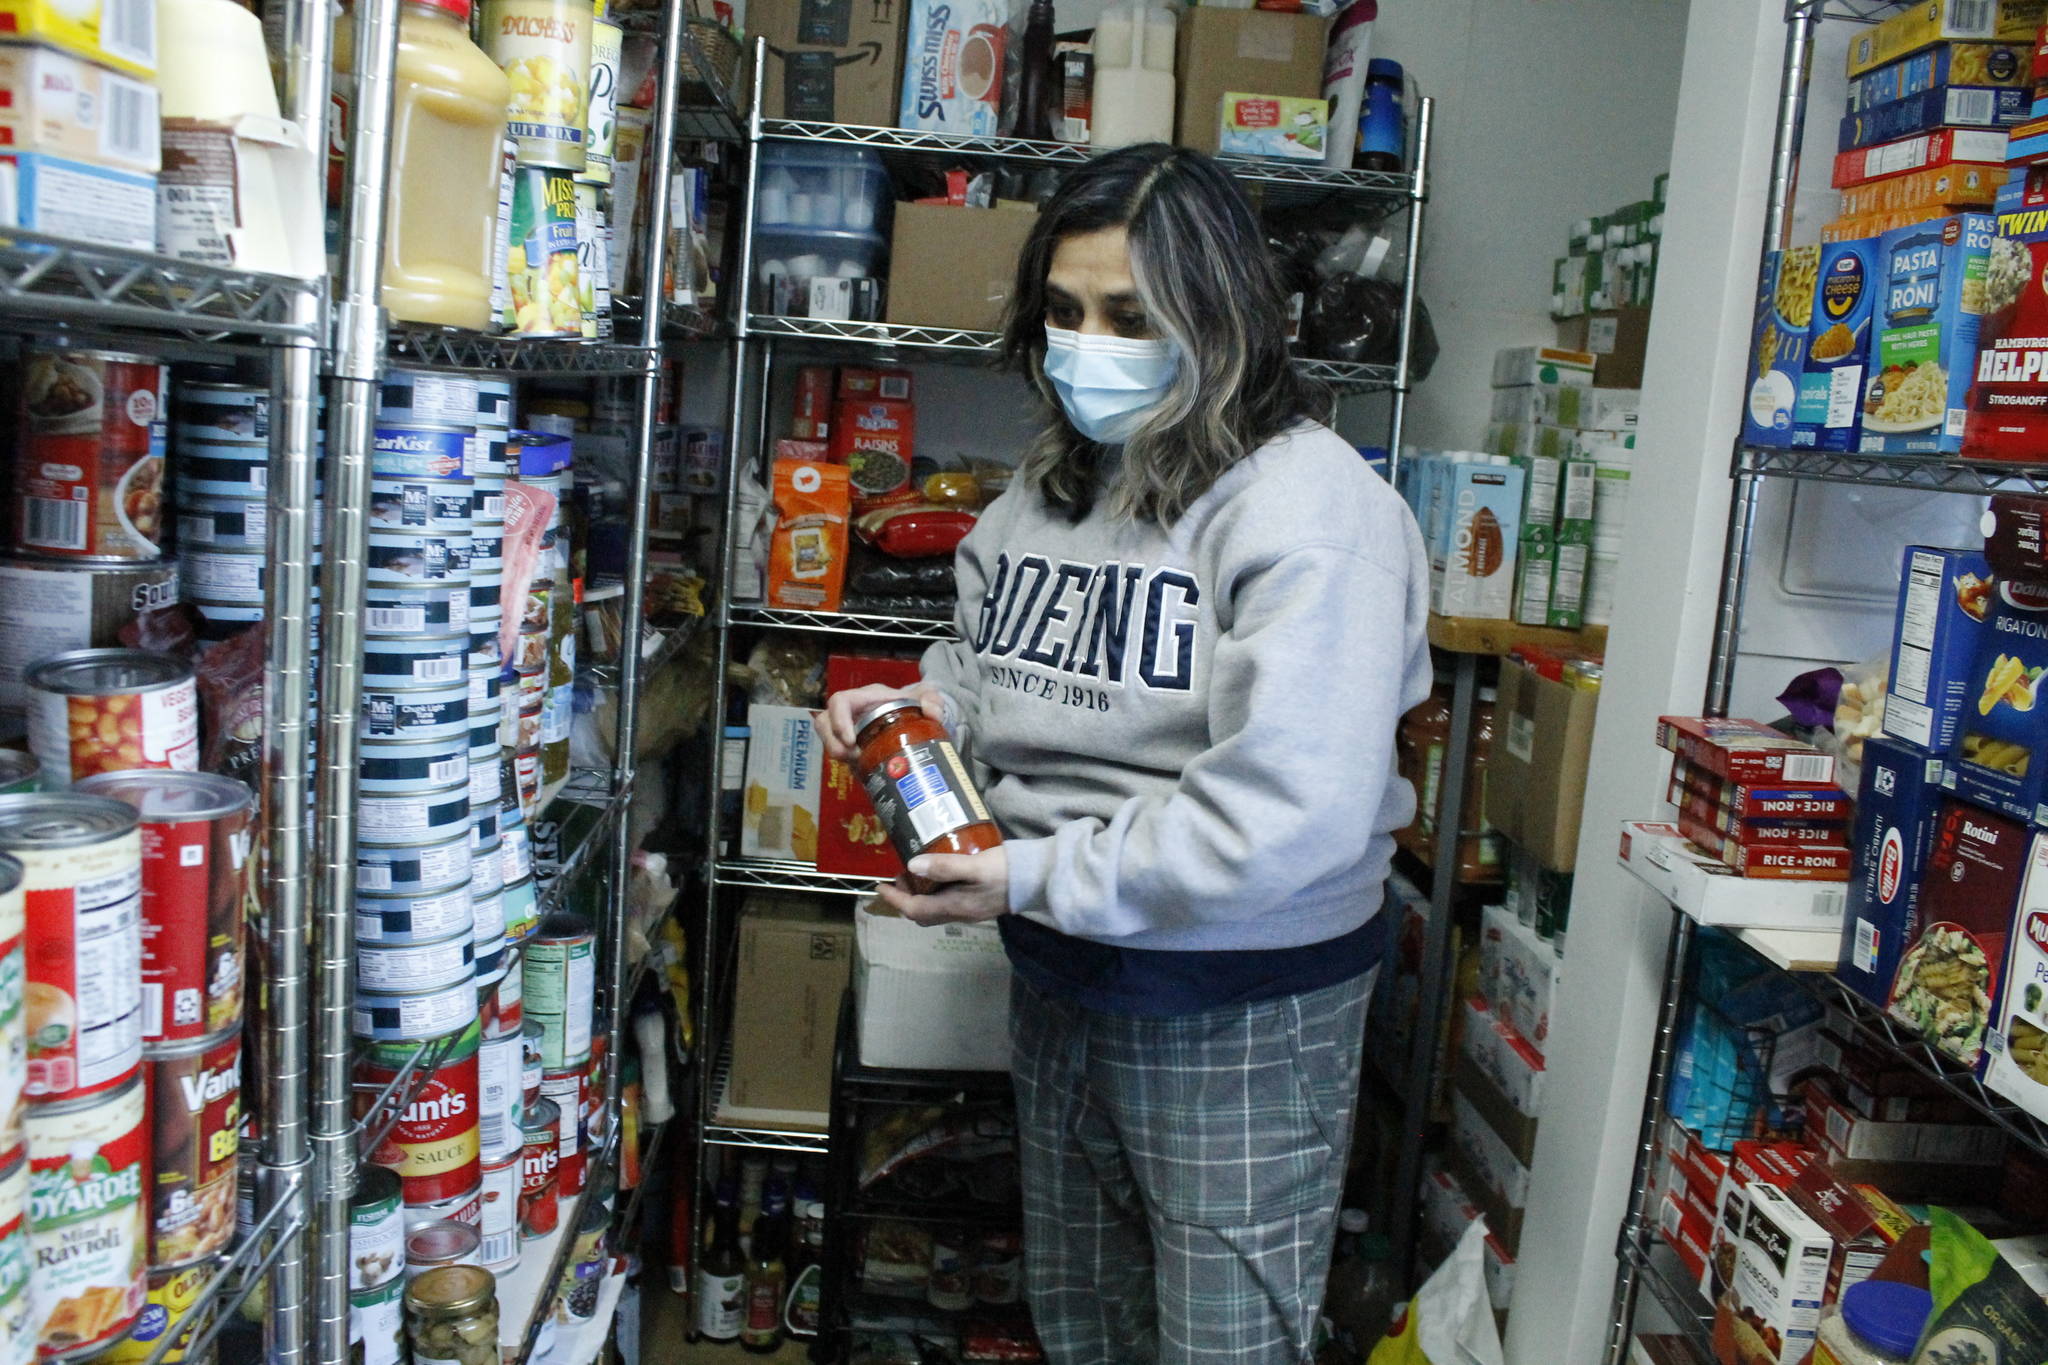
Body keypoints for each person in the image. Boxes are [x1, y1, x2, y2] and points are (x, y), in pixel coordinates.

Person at [818, 143, 1430, 1365]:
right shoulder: (1050, 486)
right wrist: (920, 713)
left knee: (1220, 1341)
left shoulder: (1311, 514)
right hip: (1060, 965)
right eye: (1063, 311)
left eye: (1130, 317)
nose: (1084, 346)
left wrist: (1030, 873)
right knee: (1082, 1318)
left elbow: (1286, 813)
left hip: (1237, 994)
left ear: (1222, 317)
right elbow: (989, 666)